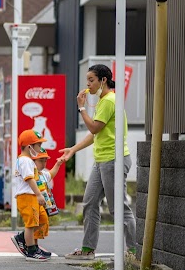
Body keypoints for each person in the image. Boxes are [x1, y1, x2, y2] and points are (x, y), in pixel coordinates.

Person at [59, 64, 137, 259]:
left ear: (103, 80)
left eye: (91, 80)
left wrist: (81, 107)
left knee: (118, 208)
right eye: (87, 80)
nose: (88, 84)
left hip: (114, 160)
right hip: (102, 160)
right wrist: (73, 150)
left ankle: (135, 251)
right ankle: (87, 250)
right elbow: (96, 134)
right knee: (90, 203)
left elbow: (94, 128)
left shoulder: (109, 100)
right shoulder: (104, 100)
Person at [11, 147, 63, 256]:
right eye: (40, 161)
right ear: (33, 161)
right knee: (32, 223)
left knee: (42, 220)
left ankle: (28, 242)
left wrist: (58, 164)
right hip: (30, 198)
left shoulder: (43, 174)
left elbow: (51, 174)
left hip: (39, 202)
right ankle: (31, 247)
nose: (43, 164)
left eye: (45, 161)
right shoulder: (30, 172)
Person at [11, 130, 51, 261]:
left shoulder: (27, 160)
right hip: (27, 196)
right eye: (38, 145)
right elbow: (29, 179)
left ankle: (22, 238)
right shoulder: (25, 161)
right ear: (30, 147)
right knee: (31, 223)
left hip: (31, 195)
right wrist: (39, 195)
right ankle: (31, 250)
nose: (40, 148)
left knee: (42, 219)